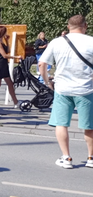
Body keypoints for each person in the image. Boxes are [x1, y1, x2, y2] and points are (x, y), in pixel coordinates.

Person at [38, 14, 93, 169]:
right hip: (86, 88)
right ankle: (91, 157)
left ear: (68, 27)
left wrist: (47, 82)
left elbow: (42, 64)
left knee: (61, 124)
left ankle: (66, 157)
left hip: (62, 88)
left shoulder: (57, 42)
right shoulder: (91, 41)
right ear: (85, 26)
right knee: (89, 125)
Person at [0, 26, 21, 106]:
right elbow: (5, 55)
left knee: (1, 84)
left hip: (3, 64)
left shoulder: (1, 42)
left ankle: (15, 102)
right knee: (1, 84)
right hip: (0, 64)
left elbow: (8, 51)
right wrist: (16, 57)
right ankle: (15, 102)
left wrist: (7, 41)